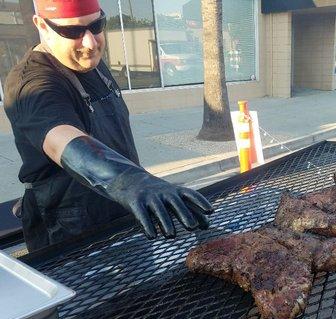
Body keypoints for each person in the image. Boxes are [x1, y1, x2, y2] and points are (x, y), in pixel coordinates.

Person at [4, 0, 213, 252]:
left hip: (125, 208)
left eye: (97, 25)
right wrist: (133, 182)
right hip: (69, 230)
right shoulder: (32, 83)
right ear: (41, 25)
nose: (90, 42)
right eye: (72, 31)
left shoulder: (91, 63)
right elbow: (62, 139)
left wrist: (141, 188)